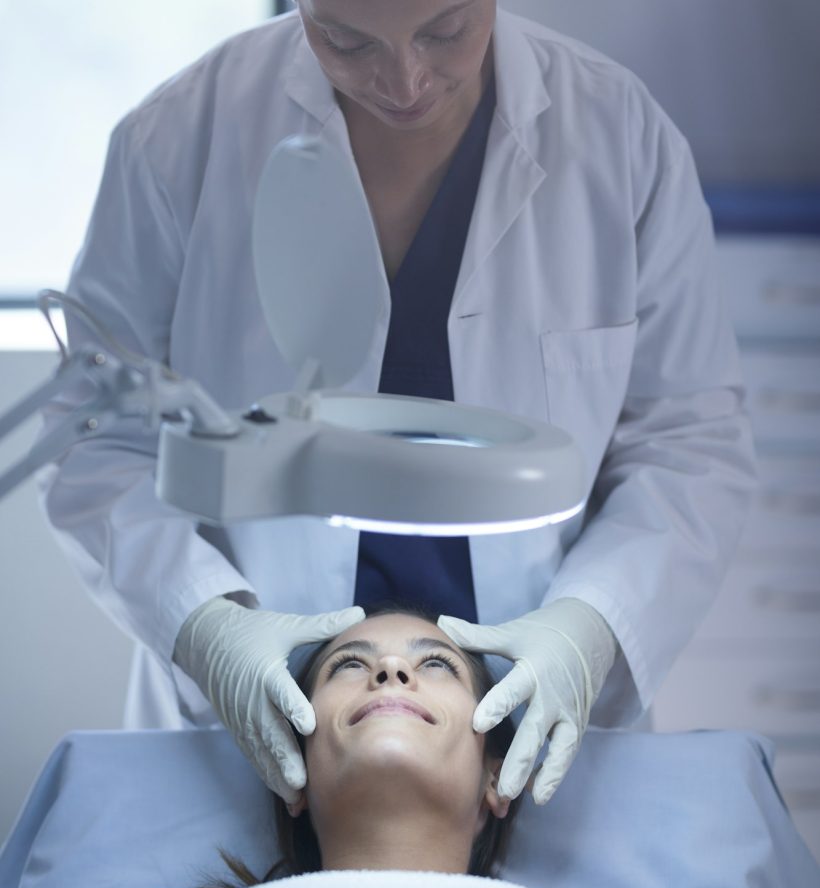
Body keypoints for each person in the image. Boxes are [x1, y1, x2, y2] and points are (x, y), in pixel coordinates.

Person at [40, 0, 757, 809]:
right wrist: (205, 624)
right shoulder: (178, 140)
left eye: (445, 30)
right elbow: (95, 441)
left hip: (531, 732)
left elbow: (690, 443)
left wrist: (591, 629)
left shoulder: (620, 136)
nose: (405, 80)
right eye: (346, 40)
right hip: (239, 741)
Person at [57, 611, 718, 888]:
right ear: (286, 760)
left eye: (436, 664)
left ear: (498, 773)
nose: (393, 669)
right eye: (350, 665)